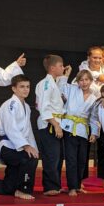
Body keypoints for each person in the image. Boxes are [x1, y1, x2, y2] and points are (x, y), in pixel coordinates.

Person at [0, 75, 38, 200]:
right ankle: (22, 189)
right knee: (28, 159)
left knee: (8, 188)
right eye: (22, 87)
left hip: (18, 147)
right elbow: (10, 128)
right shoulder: (10, 105)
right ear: (14, 89)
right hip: (8, 147)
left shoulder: (26, 107)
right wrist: (25, 146)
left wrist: (33, 147)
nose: (26, 89)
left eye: (28, 87)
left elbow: (28, 131)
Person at [35, 55, 70, 196]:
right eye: (61, 66)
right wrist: (55, 124)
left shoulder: (54, 83)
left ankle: (55, 184)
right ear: (52, 68)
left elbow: (60, 96)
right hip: (49, 124)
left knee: (58, 156)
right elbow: (44, 107)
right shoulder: (45, 83)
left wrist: (64, 76)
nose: (63, 68)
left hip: (57, 122)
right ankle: (50, 187)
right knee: (51, 156)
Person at [60, 70, 98, 196]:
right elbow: (60, 87)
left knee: (82, 160)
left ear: (91, 81)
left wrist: (94, 132)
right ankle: (71, 187)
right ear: (77, 81)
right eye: (81, 80)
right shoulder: (72, 89)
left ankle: (77, 185)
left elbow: (93, 117)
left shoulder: (94, 98)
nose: (84, 82)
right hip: (69, 127)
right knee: (71, 159)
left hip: (83, 129)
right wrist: (65, 75)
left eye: (87, 79)